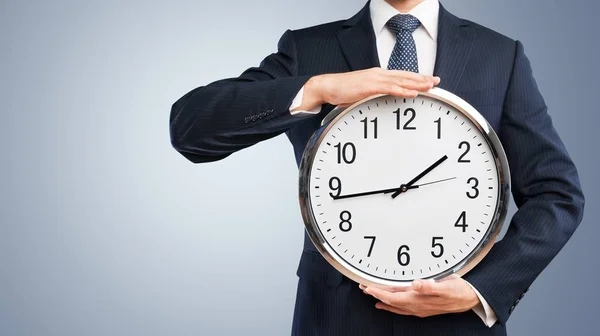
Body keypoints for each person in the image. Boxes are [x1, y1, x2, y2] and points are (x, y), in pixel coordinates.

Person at [169, 0, 585, 334]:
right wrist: (319, 87)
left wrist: (481, 289)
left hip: (458, 323)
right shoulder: (309, 50)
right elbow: (190, 128)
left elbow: (556, 193)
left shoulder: (499, 54)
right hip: (336, 316)